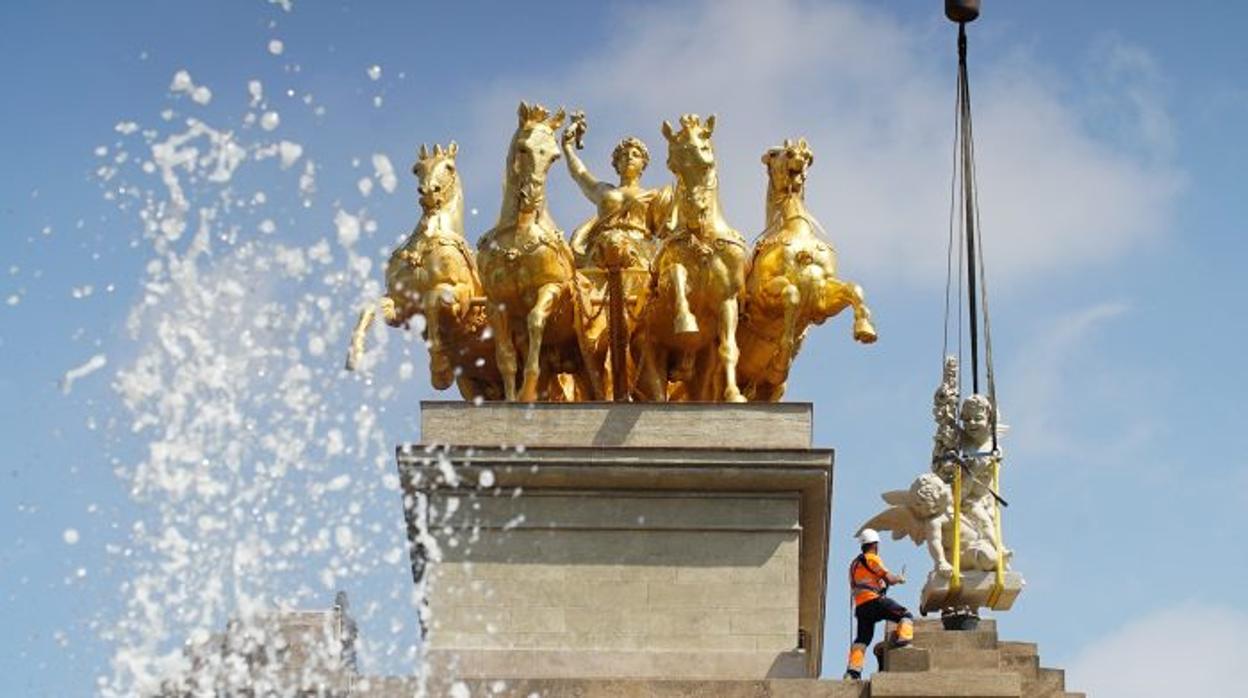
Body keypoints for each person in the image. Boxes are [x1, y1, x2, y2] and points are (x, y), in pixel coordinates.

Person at [844, 528, 915, 680]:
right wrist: (899, 578)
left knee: (862, 639)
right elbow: (889, 578)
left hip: (861, 607)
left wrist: (880, 585)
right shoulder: (872, 558)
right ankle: (904, 641)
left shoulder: (854, 565)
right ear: (875, 545)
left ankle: (852, 671)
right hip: (874, 602)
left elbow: (864, 583)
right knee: (905, 615)